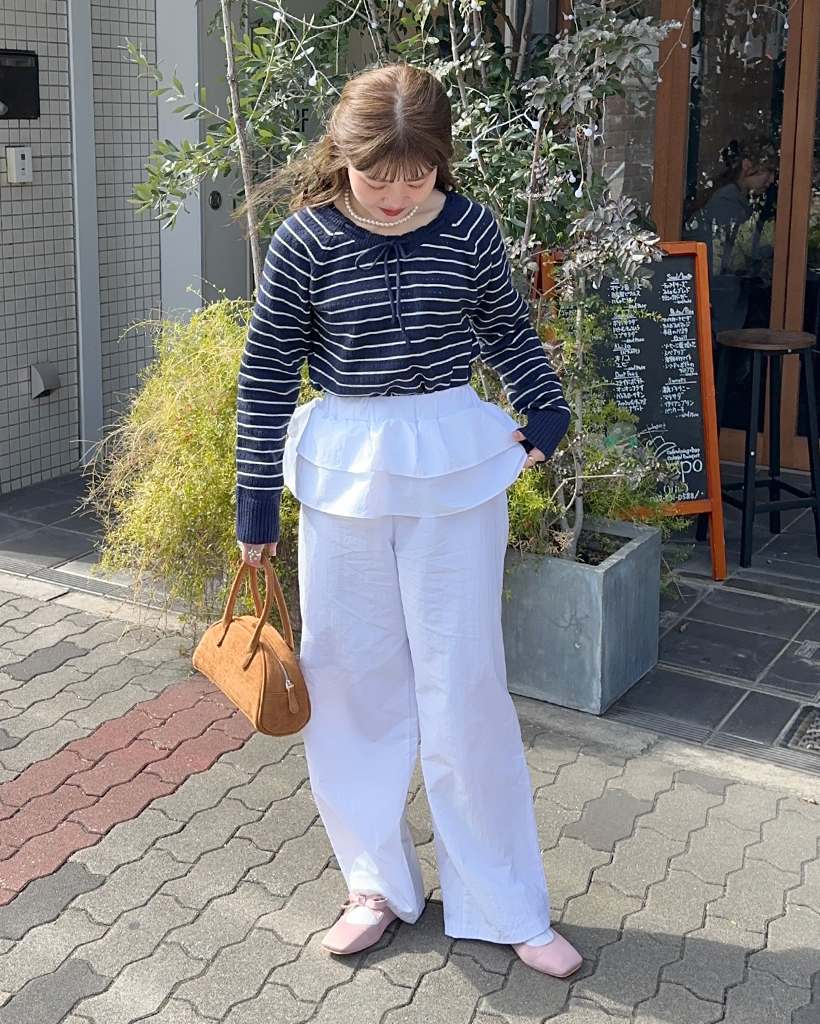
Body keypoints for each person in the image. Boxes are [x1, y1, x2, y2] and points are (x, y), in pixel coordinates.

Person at [235, 63, 580, 978]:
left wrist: (546, 413)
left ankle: (502, 899)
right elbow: (266, 375)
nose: (395, 195)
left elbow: (506, 328)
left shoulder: (468, 226)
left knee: (466, 683)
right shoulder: (305, 240)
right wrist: (255, 505)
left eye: (417, 175)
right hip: (343, 467)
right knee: (349, 684)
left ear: (441, 162)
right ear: (341, 157)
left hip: (451, 462)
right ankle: (375, 884)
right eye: (375, 175)